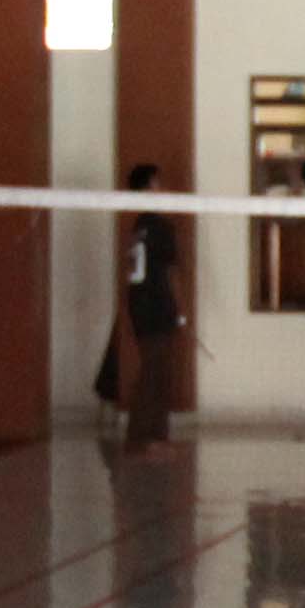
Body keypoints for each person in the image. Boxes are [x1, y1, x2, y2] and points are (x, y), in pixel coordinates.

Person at [107, 161, 185, 452]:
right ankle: (143, 438)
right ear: (149, 187)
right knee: (155, 373)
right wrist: (180, 311)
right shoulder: (161, 227)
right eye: (158, 183)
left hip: (139, 305)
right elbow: (170, 272)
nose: (162, 189)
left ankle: (156, 436)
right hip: (158, 305)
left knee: (157, 371)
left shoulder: (138, 227)